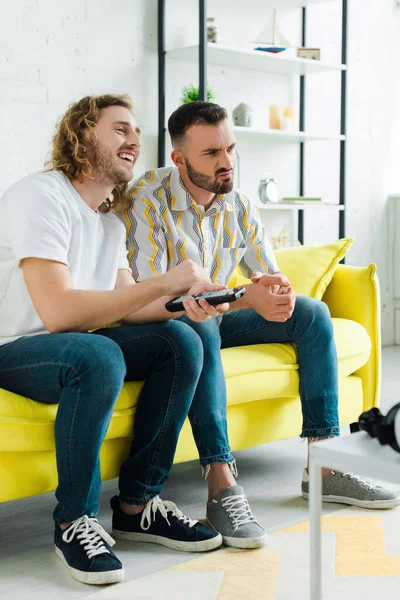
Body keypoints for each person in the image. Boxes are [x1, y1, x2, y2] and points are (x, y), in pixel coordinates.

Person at [122, 101, 400, 537]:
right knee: (199, 324)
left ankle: (324, 467)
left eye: (231, 147)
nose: (227, 162)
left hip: (217, 314)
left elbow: (267, 278)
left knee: (311, 313)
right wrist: (243, 298)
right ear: (179, 159)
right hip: (169, 325)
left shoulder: (240, 205)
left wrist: (276, 294)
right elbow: (148, 296)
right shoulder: (147, 201)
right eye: (211, 153)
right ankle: (221, 481)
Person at [0, 95, 233, 586]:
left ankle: (137, 505)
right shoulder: (42, 195)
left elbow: (130, 303)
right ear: (83, 136)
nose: (134, 141)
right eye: (120, 130)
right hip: (13, 348)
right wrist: (166, 280)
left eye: (137, 133)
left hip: (75, 348)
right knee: (99, 353)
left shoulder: (109, 221)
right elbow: (59, 314)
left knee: (181, 341)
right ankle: (74, 520)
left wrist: (186, 301)